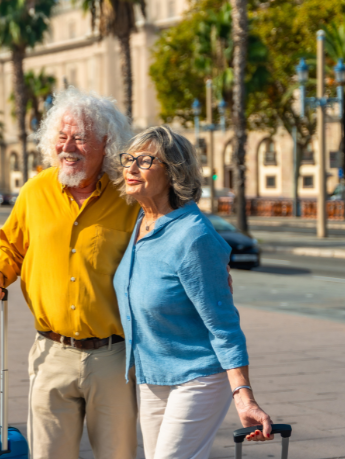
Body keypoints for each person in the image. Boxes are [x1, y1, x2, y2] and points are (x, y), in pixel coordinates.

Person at [0, 88, 140, 459]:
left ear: (107, 143)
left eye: (80, 138)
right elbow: (11, 246)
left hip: (113, 356)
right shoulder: (35, 191)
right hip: (51, 353)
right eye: (62, 137)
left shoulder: (129, 197)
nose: (68, 147)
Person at [112, 126, 273, 459]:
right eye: (128, 159)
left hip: (198, 377)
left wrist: (244, 397)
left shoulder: (192, 236)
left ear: (173, 172)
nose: (131, 168)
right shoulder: (142, 221)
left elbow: (223, 325)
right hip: (153, 375)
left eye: (145, 161)